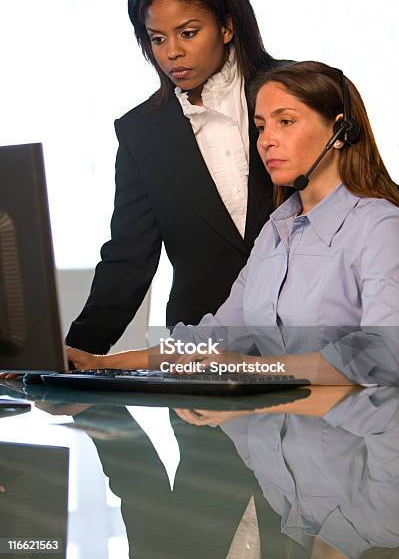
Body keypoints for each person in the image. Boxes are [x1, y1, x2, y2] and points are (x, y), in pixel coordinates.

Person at [69, 61, 399, 385]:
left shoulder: (380, 226)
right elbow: (216, 337)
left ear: (340, 132)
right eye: (260, 127)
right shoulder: (275, 231)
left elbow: (384, 353)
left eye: (285, 121)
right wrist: (99, 363)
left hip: (350, 434)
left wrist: (255, 368)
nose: (267, 140)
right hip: (271, 432)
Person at [65, 0, 288, 358]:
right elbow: (129, 255)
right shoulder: (140, 131)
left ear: (226, 26)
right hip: (198, 347)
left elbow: (360, 197)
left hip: (310, 332)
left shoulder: (300, 93)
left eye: (188, 33)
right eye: (157, 39)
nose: (173, 53)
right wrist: (78, 350)